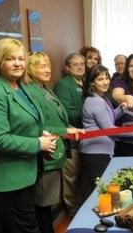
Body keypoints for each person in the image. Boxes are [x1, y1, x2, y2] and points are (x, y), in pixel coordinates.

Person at [0, 38, 56, 233]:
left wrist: (41, 132)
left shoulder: (19, 86)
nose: (17, 63)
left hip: (27, 175)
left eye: (21, 58)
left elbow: (26, 122)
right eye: (10, 58)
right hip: (7, 182)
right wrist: (38, 143)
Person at [25, 52, 84, 233]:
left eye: (49, 65)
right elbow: (38, 124)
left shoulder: (44, 88)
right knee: (43, 203)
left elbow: (58, 117)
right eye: (42, 66)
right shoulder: (30, 91)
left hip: (55, 151)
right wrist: (65, 131)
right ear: (31, 69)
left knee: (48, 201)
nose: (48, 69)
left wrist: (69, 128)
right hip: (45, 153)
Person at [79, 65, 133, 200]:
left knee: (102, 191)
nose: (105, 82)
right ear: (92, 83)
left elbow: (108, 117)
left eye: (107, 78)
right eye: (100, 79)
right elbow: (108, 128)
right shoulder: (95, 101)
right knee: (99, 192)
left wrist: (120, 109)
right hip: (95, 152)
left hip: (100, 151)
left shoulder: (102, 98)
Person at [54, 53, 85, 216]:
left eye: (82, 63)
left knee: (83, 177)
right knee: (71, 178)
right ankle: (74, 213)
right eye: (75, 64)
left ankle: (83, 209)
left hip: (88, 139)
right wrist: (91, 115)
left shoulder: (87, 82)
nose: (80, 67)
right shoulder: (63, 85)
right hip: (71, 141)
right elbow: (68, 113)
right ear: (67, 68)